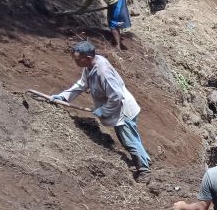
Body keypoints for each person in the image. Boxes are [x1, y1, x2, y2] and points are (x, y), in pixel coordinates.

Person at [50, 40, 151, 176]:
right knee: (131, 138)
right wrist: (63, 97)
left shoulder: (102, 71)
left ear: (88, 58)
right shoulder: (90, 66)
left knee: (129, 142)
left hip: (123, 109)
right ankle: (145, 160)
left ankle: (144, 171)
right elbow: (82, 84)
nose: (76, 63)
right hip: (117, 108)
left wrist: (103, 111)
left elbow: (116, 96)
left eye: (78, 60)